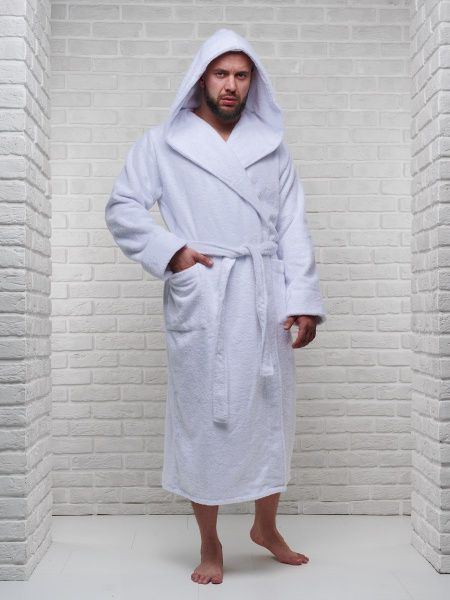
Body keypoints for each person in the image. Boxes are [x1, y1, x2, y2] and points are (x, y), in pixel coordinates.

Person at [105, 28, 326, 585]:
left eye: (241, 75)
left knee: (269, 411)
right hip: (207, 292)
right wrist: (173, 253)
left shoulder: (271, 145)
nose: (231, 85)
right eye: (221, 74)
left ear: (254, 83)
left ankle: (265, 528)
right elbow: (123, 206)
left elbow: (292, 227)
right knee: (204, 416)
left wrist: (302, 299)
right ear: (201, 78)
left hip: (263, 293)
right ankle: (209, 541)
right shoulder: (163, 142)